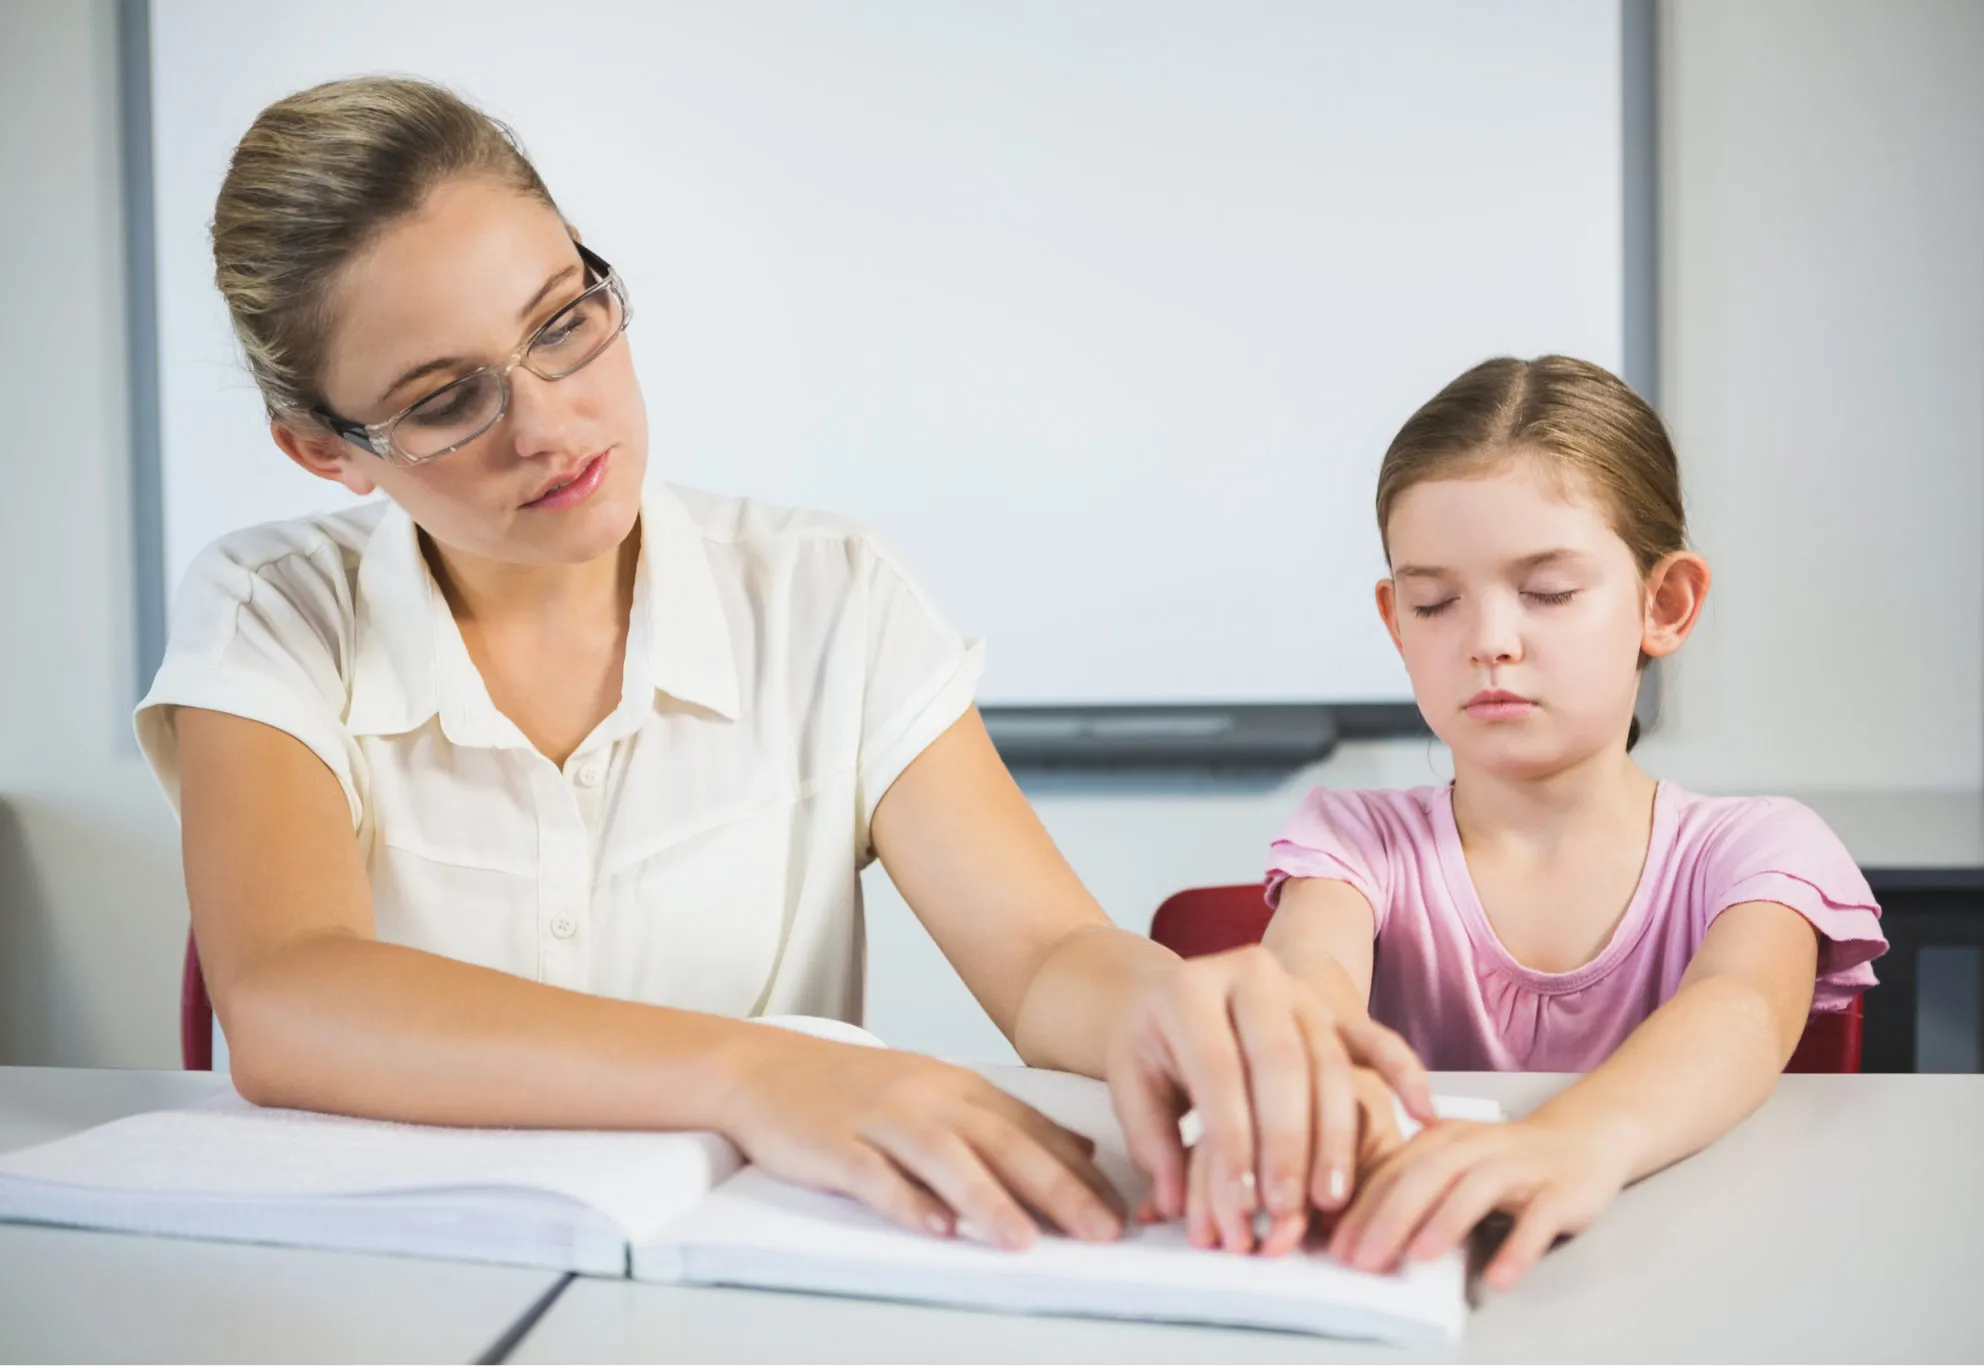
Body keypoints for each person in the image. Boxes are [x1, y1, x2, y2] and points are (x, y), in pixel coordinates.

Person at [138, 75, 1431, 1255]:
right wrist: (758, 1072)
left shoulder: (829, 597)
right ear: (326, 450)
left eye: (563, 321)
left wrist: (1172, 1007)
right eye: (443, 400)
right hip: (384, 1290)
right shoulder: (274, 610)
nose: (547, 422)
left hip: (740, 1292)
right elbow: (292, 995)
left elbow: (1042, 960)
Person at [1202, 355, 1886, 1283]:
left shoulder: (1759, 851)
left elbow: (1742, 1010)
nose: (1488, 639)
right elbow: (1309, 975)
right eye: (1434, 602)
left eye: (1548, 592)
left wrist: (1570, 1145)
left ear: (1665, 603)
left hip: (1689, 1281)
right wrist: (1313, 1075)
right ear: (1396, 622)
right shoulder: (1354, 841)